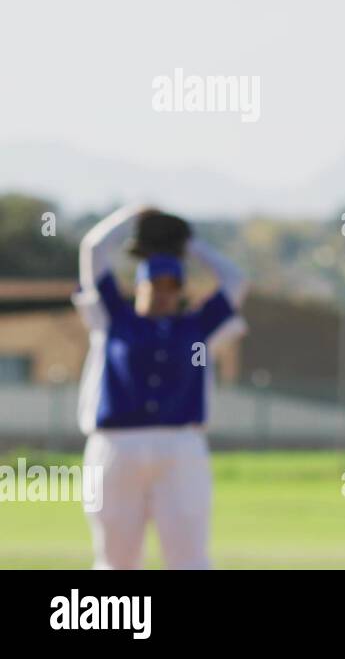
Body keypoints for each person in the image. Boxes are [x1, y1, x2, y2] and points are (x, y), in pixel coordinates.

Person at [73, 204, 248, 569]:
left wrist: (189, 245)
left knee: (189, 558)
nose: (164, 292)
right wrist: (132, 217)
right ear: (139, 285)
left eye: (173, 285)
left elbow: (236, 280)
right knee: (116, 559)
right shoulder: (111, 317)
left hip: (181, 445)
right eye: (156, 283)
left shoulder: (198, 327)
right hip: (116, 446)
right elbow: (92, 249)